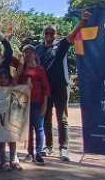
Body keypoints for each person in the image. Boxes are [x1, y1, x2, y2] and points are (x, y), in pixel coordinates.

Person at [36, 10, 90, 162]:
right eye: (46, 33)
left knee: (62, 118)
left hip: (60, 86)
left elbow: (72, 34)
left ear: (55, 34)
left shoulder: (61, 45)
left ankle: (63, 148)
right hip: (45, 89)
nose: (49, 35)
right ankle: (48, 146)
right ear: (43, 34)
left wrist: (83, 22)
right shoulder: (38, 49)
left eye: (51, 33)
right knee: (46, 118)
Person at [17, 44, 51, 165]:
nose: (28, 54)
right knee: (29, 128)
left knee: (39, 127)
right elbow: (16, 83)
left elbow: (46, 88)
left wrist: (45, 104)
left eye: (31, 52)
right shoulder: (22, 70)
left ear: (35, 54)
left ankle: (38, 152)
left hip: (38, 102)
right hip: (26, 103)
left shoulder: (40, 69)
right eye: (26, 52)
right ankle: (30, 153)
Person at [0, 60, 21, 170]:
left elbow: (17, 75)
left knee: (12, 139)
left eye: (5, 77)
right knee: (1, 140)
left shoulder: (12, 87)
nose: (3, 80)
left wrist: (21, 63)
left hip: (11, 117)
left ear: (8, 79)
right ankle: (3, 160)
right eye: (1, 78)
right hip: (0, 118)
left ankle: (13, 158)